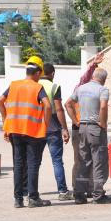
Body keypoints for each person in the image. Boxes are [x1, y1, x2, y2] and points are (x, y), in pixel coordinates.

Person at [0, 58, 52, 208]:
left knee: (18, 164)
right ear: (38, 72)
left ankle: (18, 199)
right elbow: (47, 105)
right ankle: (33, 198)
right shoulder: (37, 87)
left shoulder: (14, 85)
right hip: (32, 131)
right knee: (33, 164)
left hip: (15, 130)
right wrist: (45, 125)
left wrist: (5, 121)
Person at [65, 68, 111, 204]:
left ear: (93, 76)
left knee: (83, 161)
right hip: (95, 128)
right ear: (103, 79)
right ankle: (98, 195)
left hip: (82, 128)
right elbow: (103, 107)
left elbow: (67, 104)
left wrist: (76, 121)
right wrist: (103, 123)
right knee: (98, 162)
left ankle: (79, 195)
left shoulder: (81, 89)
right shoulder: (102, 90)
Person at [39, 61, 72, 201]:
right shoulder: (54, 86)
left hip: (36, 128)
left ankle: (28, 192)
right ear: (52, 73)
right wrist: (64, 128)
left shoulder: (34, 85)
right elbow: (58, 109)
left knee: (34, 162)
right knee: (57, 161)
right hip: (52, 128)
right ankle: (63, 192)